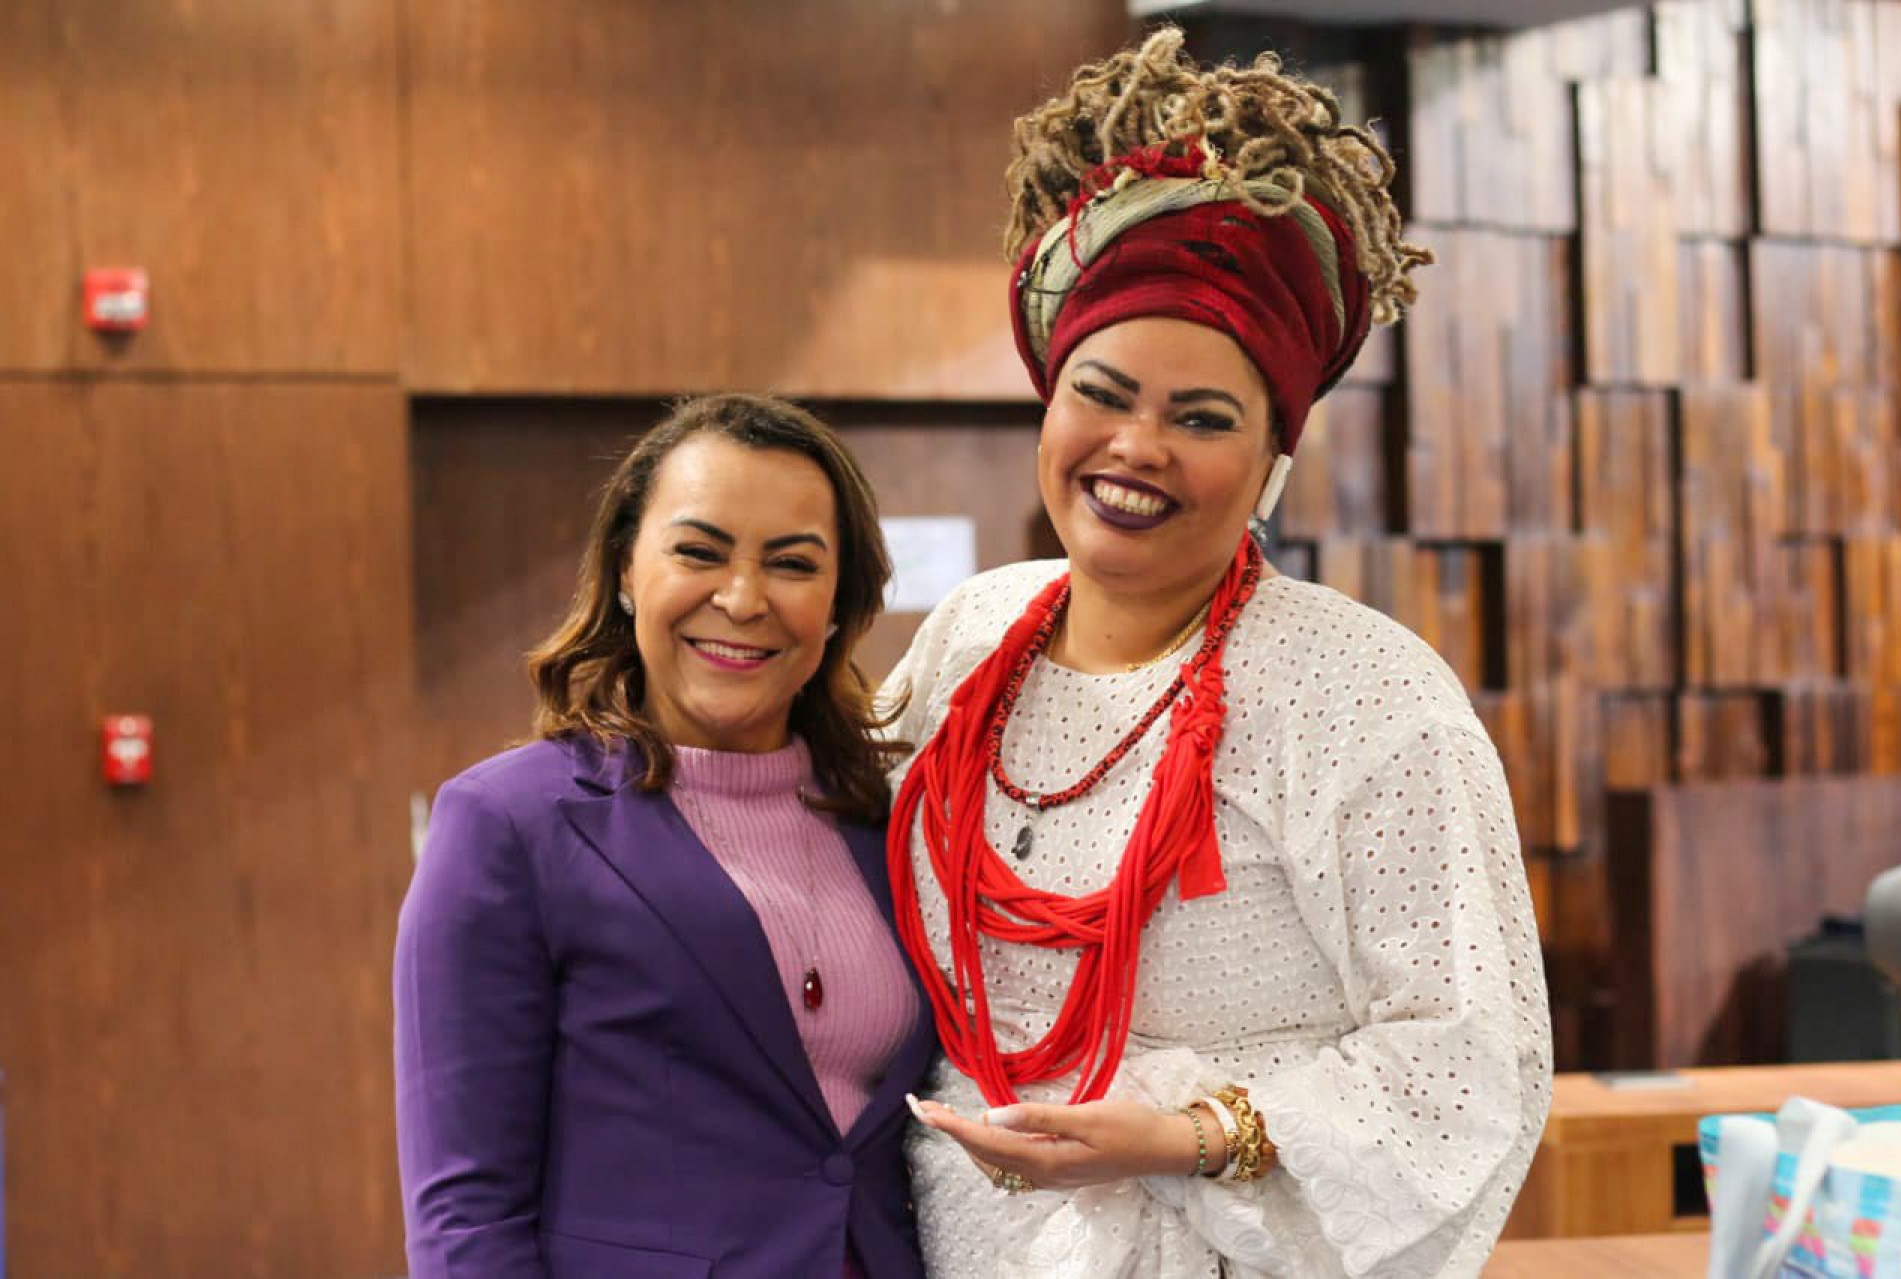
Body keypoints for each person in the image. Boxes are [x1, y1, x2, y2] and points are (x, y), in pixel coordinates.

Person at [884, 30, 1551, 1278]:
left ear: (1269, 466)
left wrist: (1191, 1135)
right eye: (1105, 391)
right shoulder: (968, 637)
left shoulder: (1363, 693)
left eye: (1202, 418)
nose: (1137, 446)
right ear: (1048, 396)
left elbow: (1471, 1060)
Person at [394, 394, 935, 1279]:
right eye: (699, 551)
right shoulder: (506, 826)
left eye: (793, 563)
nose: (743, 597)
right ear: (624, 570)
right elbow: (465, 1213)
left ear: (841, 601)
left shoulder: (889, 818)